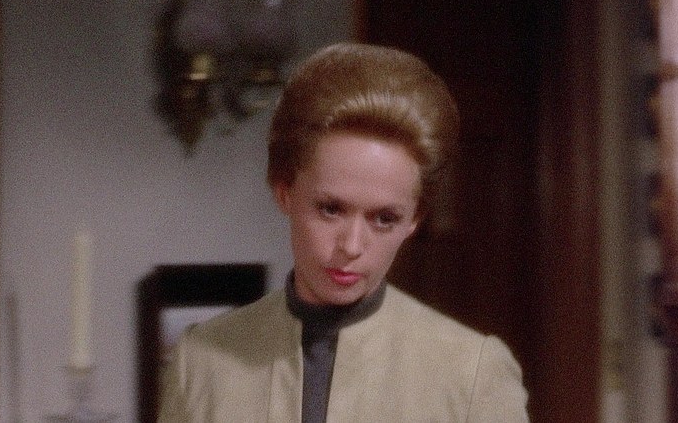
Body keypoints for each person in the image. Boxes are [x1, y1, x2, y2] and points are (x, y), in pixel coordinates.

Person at [158, 43, 529, 422]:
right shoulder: (201, 361)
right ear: (285, 192)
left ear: (414, 219)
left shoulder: (471, 372)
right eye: (331, 209)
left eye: (384, 218)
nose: (351, 246)